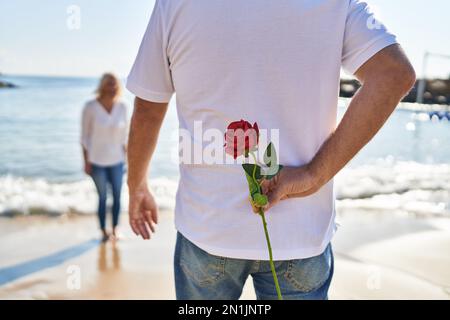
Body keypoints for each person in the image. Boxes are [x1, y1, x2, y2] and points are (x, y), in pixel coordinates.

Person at [126, 0, 416, 299]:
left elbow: (148, 108)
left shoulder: (174, 5)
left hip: (208, 228)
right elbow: (393, 75)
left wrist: (137, 186)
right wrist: (314, 175)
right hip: (300, 233)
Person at [81, 73, 128, 242]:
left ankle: (115, 229)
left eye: (115, 84)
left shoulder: (122, 106)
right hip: (97, 161)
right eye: (109, 83)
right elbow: (84, 137)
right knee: (102, 197)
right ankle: (103, 230)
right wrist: (85, 161)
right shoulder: (90, 107)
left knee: (117, 196)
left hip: (117, 161)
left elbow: (125, 137)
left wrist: (129, 160)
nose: (112, 87)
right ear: (102, 85)